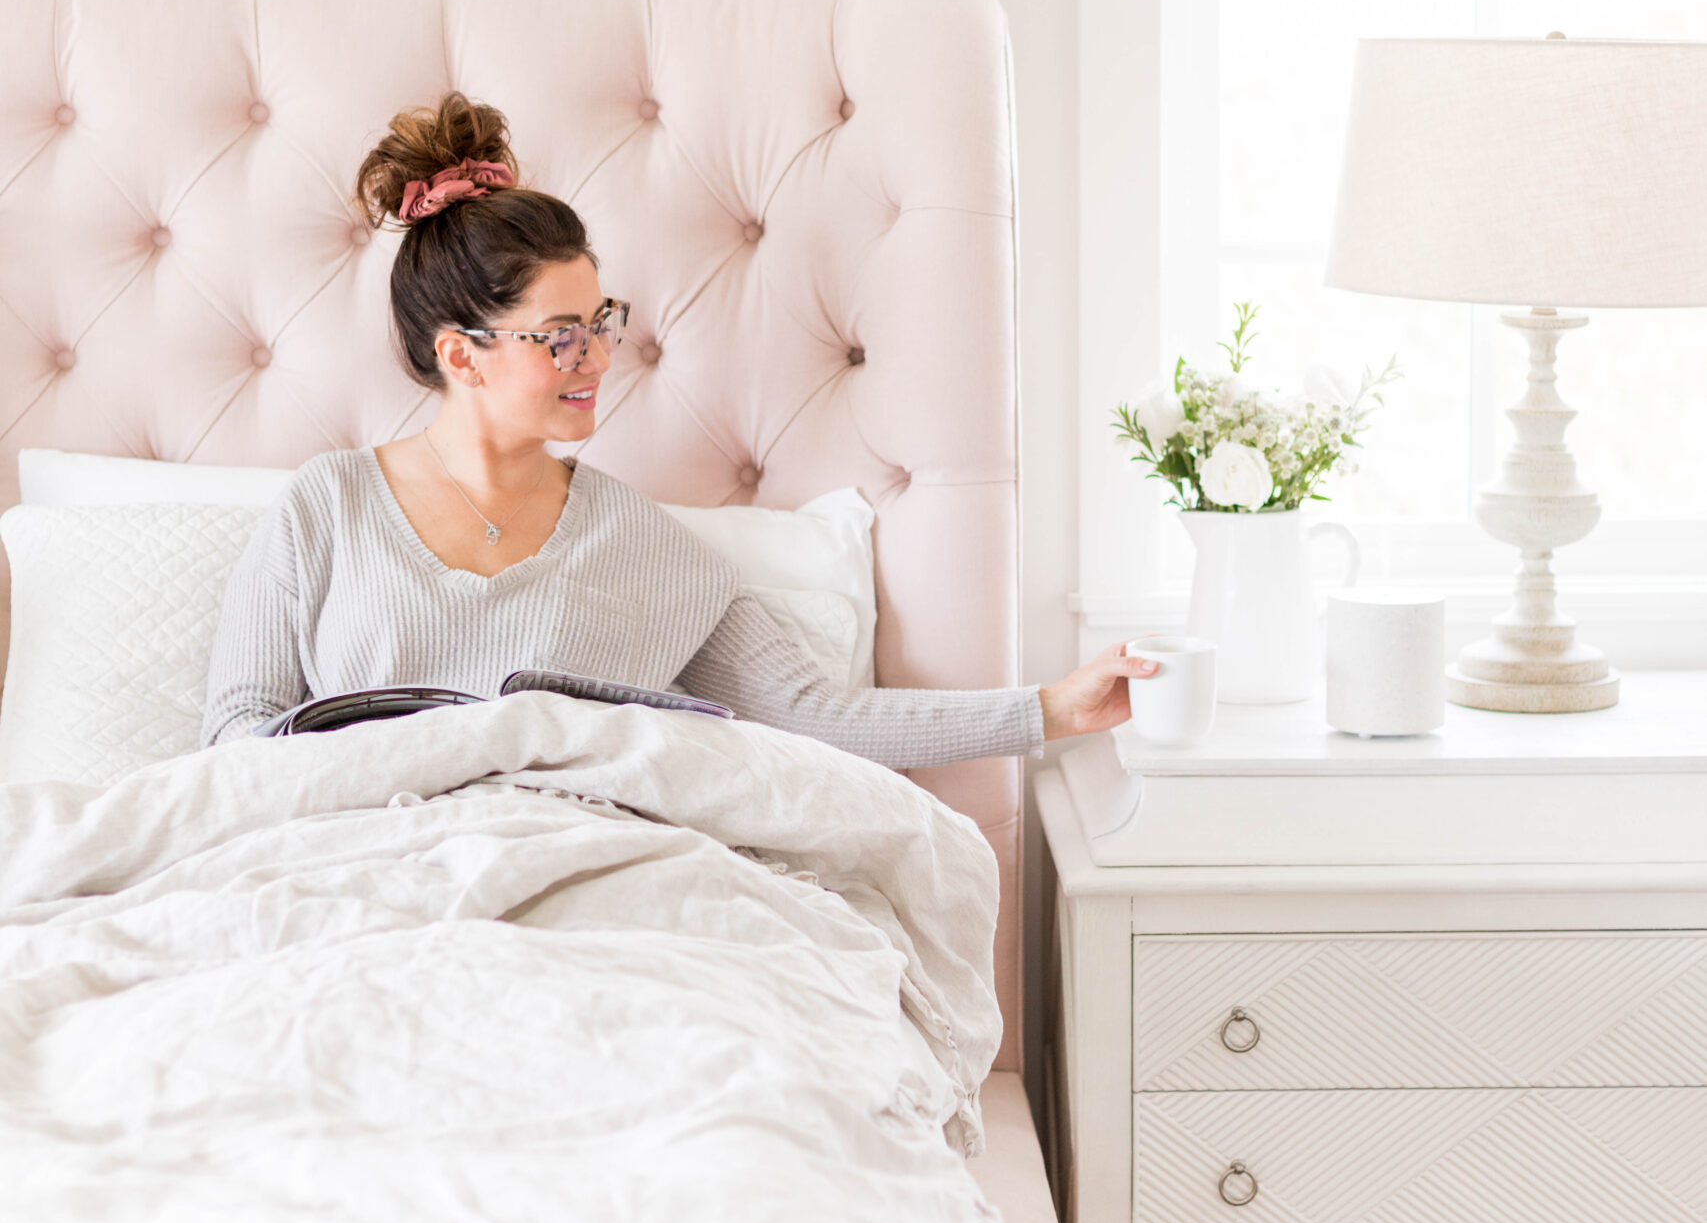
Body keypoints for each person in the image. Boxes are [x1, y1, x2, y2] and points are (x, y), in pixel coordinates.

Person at [201, 93, 1156, 759]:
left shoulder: (639, 544)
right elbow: (237, 737)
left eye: (601, 324)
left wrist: (1046, 710)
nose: (599, 359)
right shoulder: (323, 510)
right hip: (357, 878)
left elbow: (812, 716)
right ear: (461, 355)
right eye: (562, 338)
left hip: (575, 883)